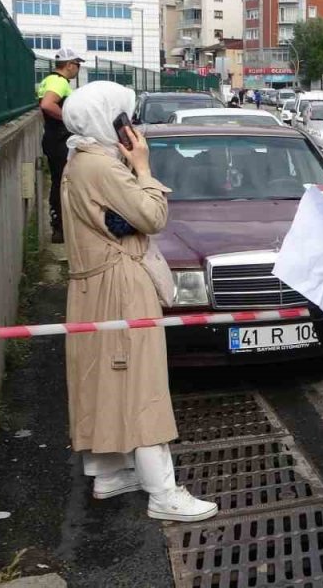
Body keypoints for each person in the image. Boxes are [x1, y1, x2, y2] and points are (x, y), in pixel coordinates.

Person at [60, 81, 217, 523]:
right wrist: (143, 169)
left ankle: (109, 472)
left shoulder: (79, 160)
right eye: (123, 117)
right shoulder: (104, 169)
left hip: (94, 287)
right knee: (142, 384)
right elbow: (153, 217)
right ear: (109, 120)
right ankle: (163, 492)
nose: (130, 125)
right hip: (120, 286)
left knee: (106, 378)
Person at [37, 47, 84, 244]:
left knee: (58, 181)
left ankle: (60, 226)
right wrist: (69, 119)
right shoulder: (58, 82)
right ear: (69, 65)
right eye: (78, 65)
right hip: (59, 139)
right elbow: (47, 105)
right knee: (63, 182)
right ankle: (61, 229)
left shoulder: (49, 80)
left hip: (53, 137)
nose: (78, 69)